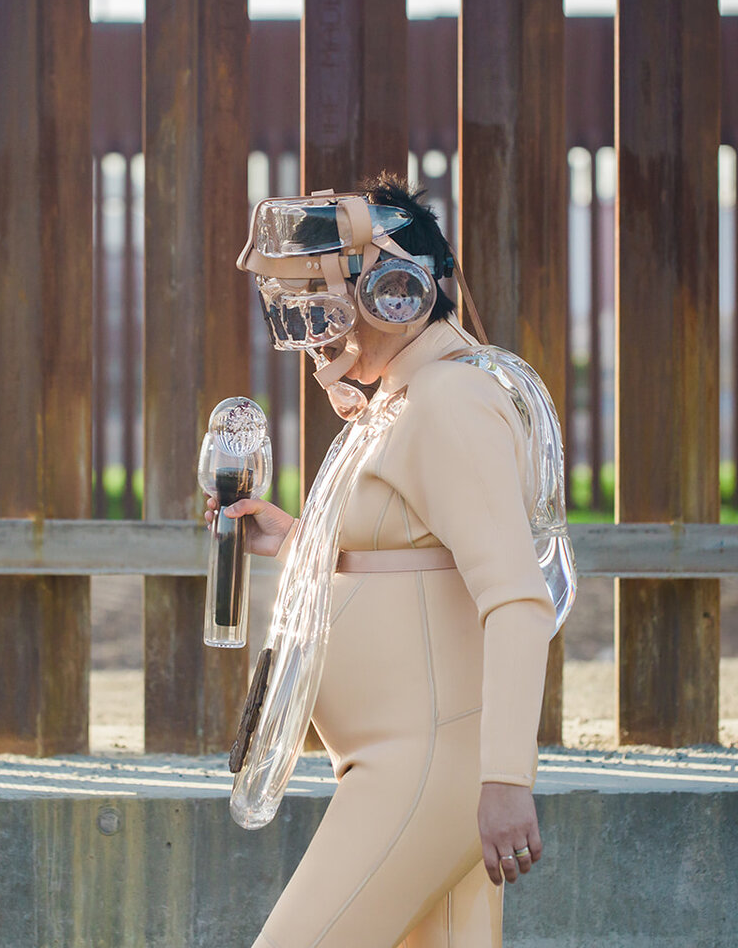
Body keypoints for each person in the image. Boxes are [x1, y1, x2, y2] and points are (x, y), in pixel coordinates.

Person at [208, 174, 562, 947]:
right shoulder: (406, 397)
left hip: (427, 766)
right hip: (406, 759)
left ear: (394, 291)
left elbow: (516, 598)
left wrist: (506, 781)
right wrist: (297, 541)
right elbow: (416, 556)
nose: (318, 333)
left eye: (327, 306)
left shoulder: (447, 400)